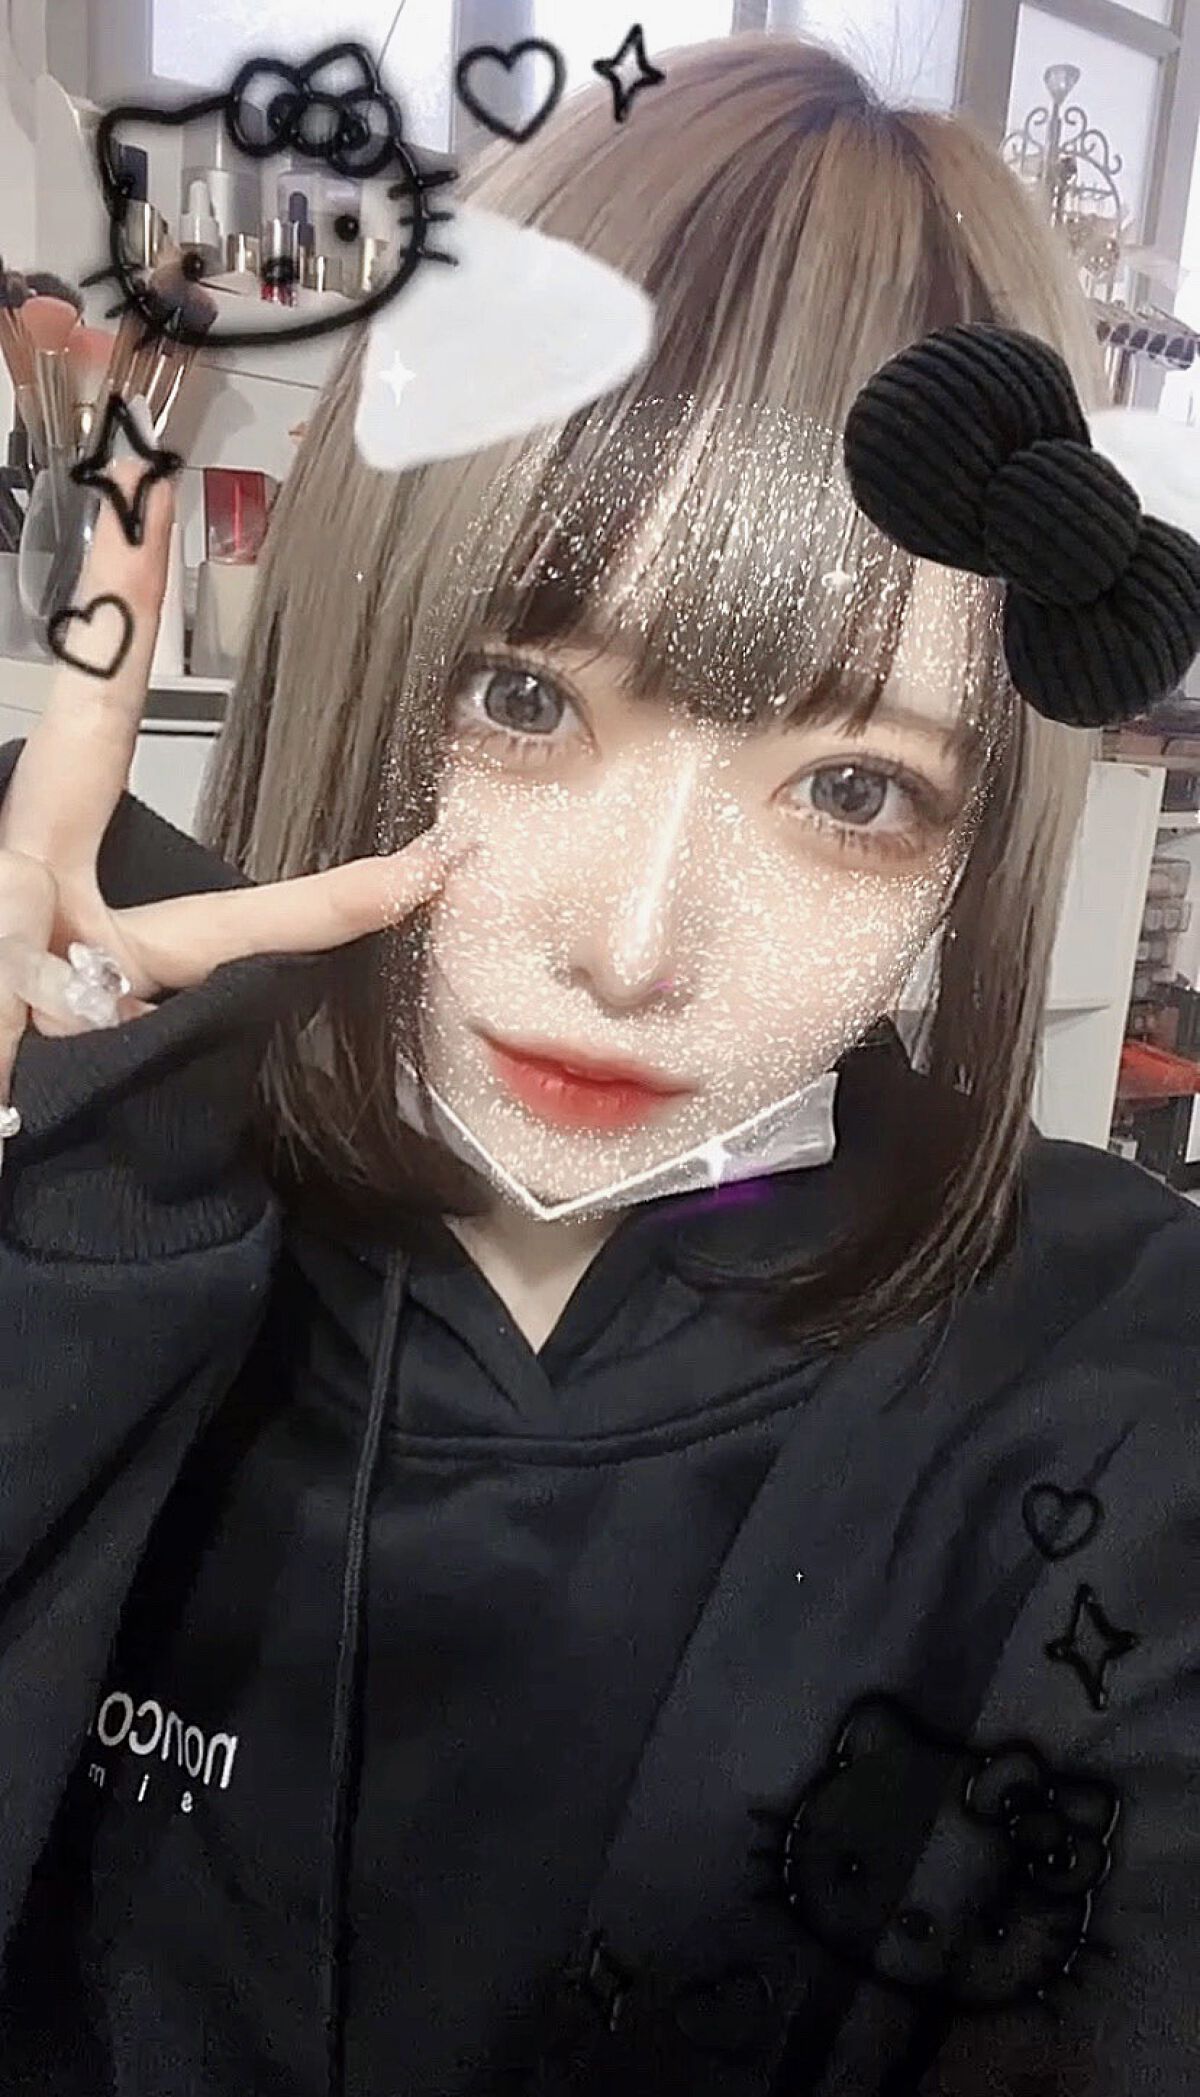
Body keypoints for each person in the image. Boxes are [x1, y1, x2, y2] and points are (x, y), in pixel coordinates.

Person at [1, 29, 1197, 2097]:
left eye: (850, 788)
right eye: (525, 702)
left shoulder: (1125, 1388)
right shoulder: (104, 1191)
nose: (631, 951)